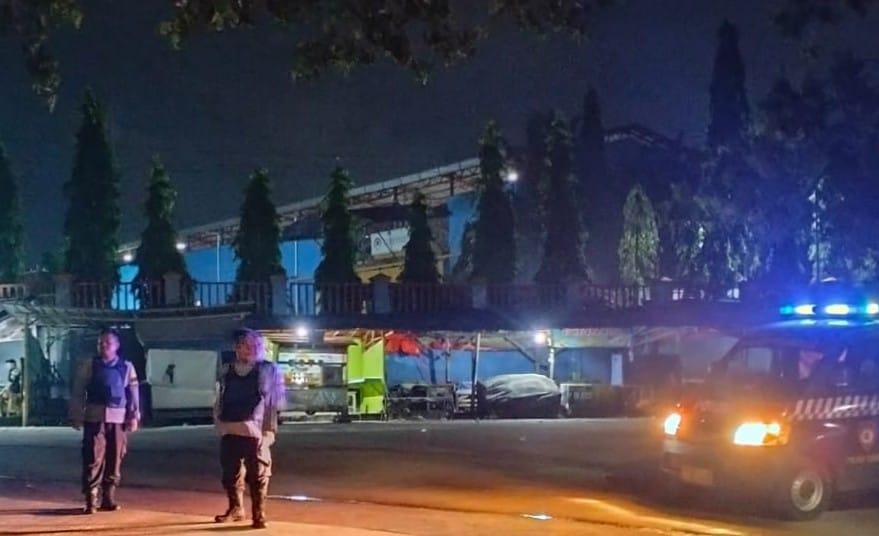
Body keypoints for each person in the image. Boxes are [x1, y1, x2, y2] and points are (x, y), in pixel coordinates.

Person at [214, 328, 285, 529]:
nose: (248, 349)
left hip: (255, 431)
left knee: (258, 473)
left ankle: (258, 514)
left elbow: (272, 403)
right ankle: (235, 509)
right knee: (230, 473)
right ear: (237, 348)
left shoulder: (267, 370)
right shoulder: (227, 370)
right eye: (243, 345)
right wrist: (218, 421)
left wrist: (269, 431)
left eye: (253, 346)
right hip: (230, 428)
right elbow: (219, 398)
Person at [69, 327, 140, 514]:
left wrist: (134, 416)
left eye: (108, 342)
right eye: (100, 343)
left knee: (115, 457)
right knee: (93, 457)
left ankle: (108, 497)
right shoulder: (88, 365)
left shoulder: (127, 367)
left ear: (117, 345)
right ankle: (91, 499)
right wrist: (76, 414)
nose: (103, 346)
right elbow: (78, 391)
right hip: (94, 418)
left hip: (118, 419)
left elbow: (133, 393)